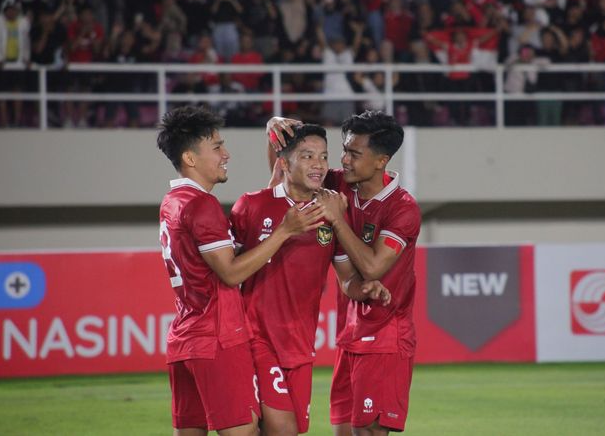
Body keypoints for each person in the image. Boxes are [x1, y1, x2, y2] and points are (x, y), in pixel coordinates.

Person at [156, 105, 326, 436]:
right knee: (243, 431)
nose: (226, 154)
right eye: (217, 147)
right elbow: (231, 272)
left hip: (184, 337)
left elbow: (259, 219)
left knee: (189, 431)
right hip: (217, 337)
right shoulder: (202, 206)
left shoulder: (172, 201)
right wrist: (284, 231)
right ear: (191, 158)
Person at [267, 111, 421, 436]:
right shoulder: (338, 183)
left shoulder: (402, 209)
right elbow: (288, 172)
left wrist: (337, 220)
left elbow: (374, 266)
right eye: (344, 150)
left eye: (354, 153)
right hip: (349, 335)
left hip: (385, 338)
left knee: (367, 433)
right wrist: (273, 130)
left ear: (380, 161)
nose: (343, 160)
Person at [232, 123, 391, 436]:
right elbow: (228, 269)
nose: (318, 164)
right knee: (283, 430)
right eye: (307, 156)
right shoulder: (252, 205)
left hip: (300, 345)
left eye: (323, 156)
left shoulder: (328, 214)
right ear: (284, 163)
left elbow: (346, 279)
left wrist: (364, 288)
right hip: (256, 337)